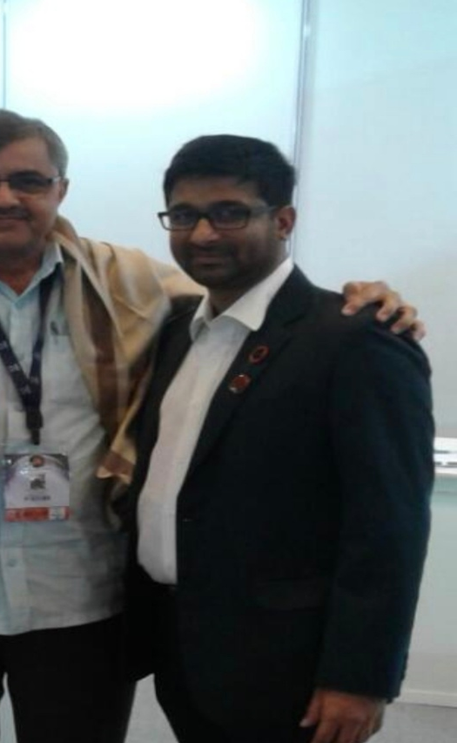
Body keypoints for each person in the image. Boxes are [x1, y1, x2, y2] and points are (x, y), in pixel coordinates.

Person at [0, 109, 421, 743]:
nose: (3, 197)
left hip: (80, 601)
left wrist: (366, 301)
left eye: (27, 180)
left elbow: (260, 308)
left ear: (60, 189)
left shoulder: (132, 285)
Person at [125, 135, 434, 743]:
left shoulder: (355, 339)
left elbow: (389, 527)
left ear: (284, 220)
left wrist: (360, 677)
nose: (203, 234)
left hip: (293, 668)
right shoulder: (179, 334)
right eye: (184, 216)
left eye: (229, 213)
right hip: (186, 650)